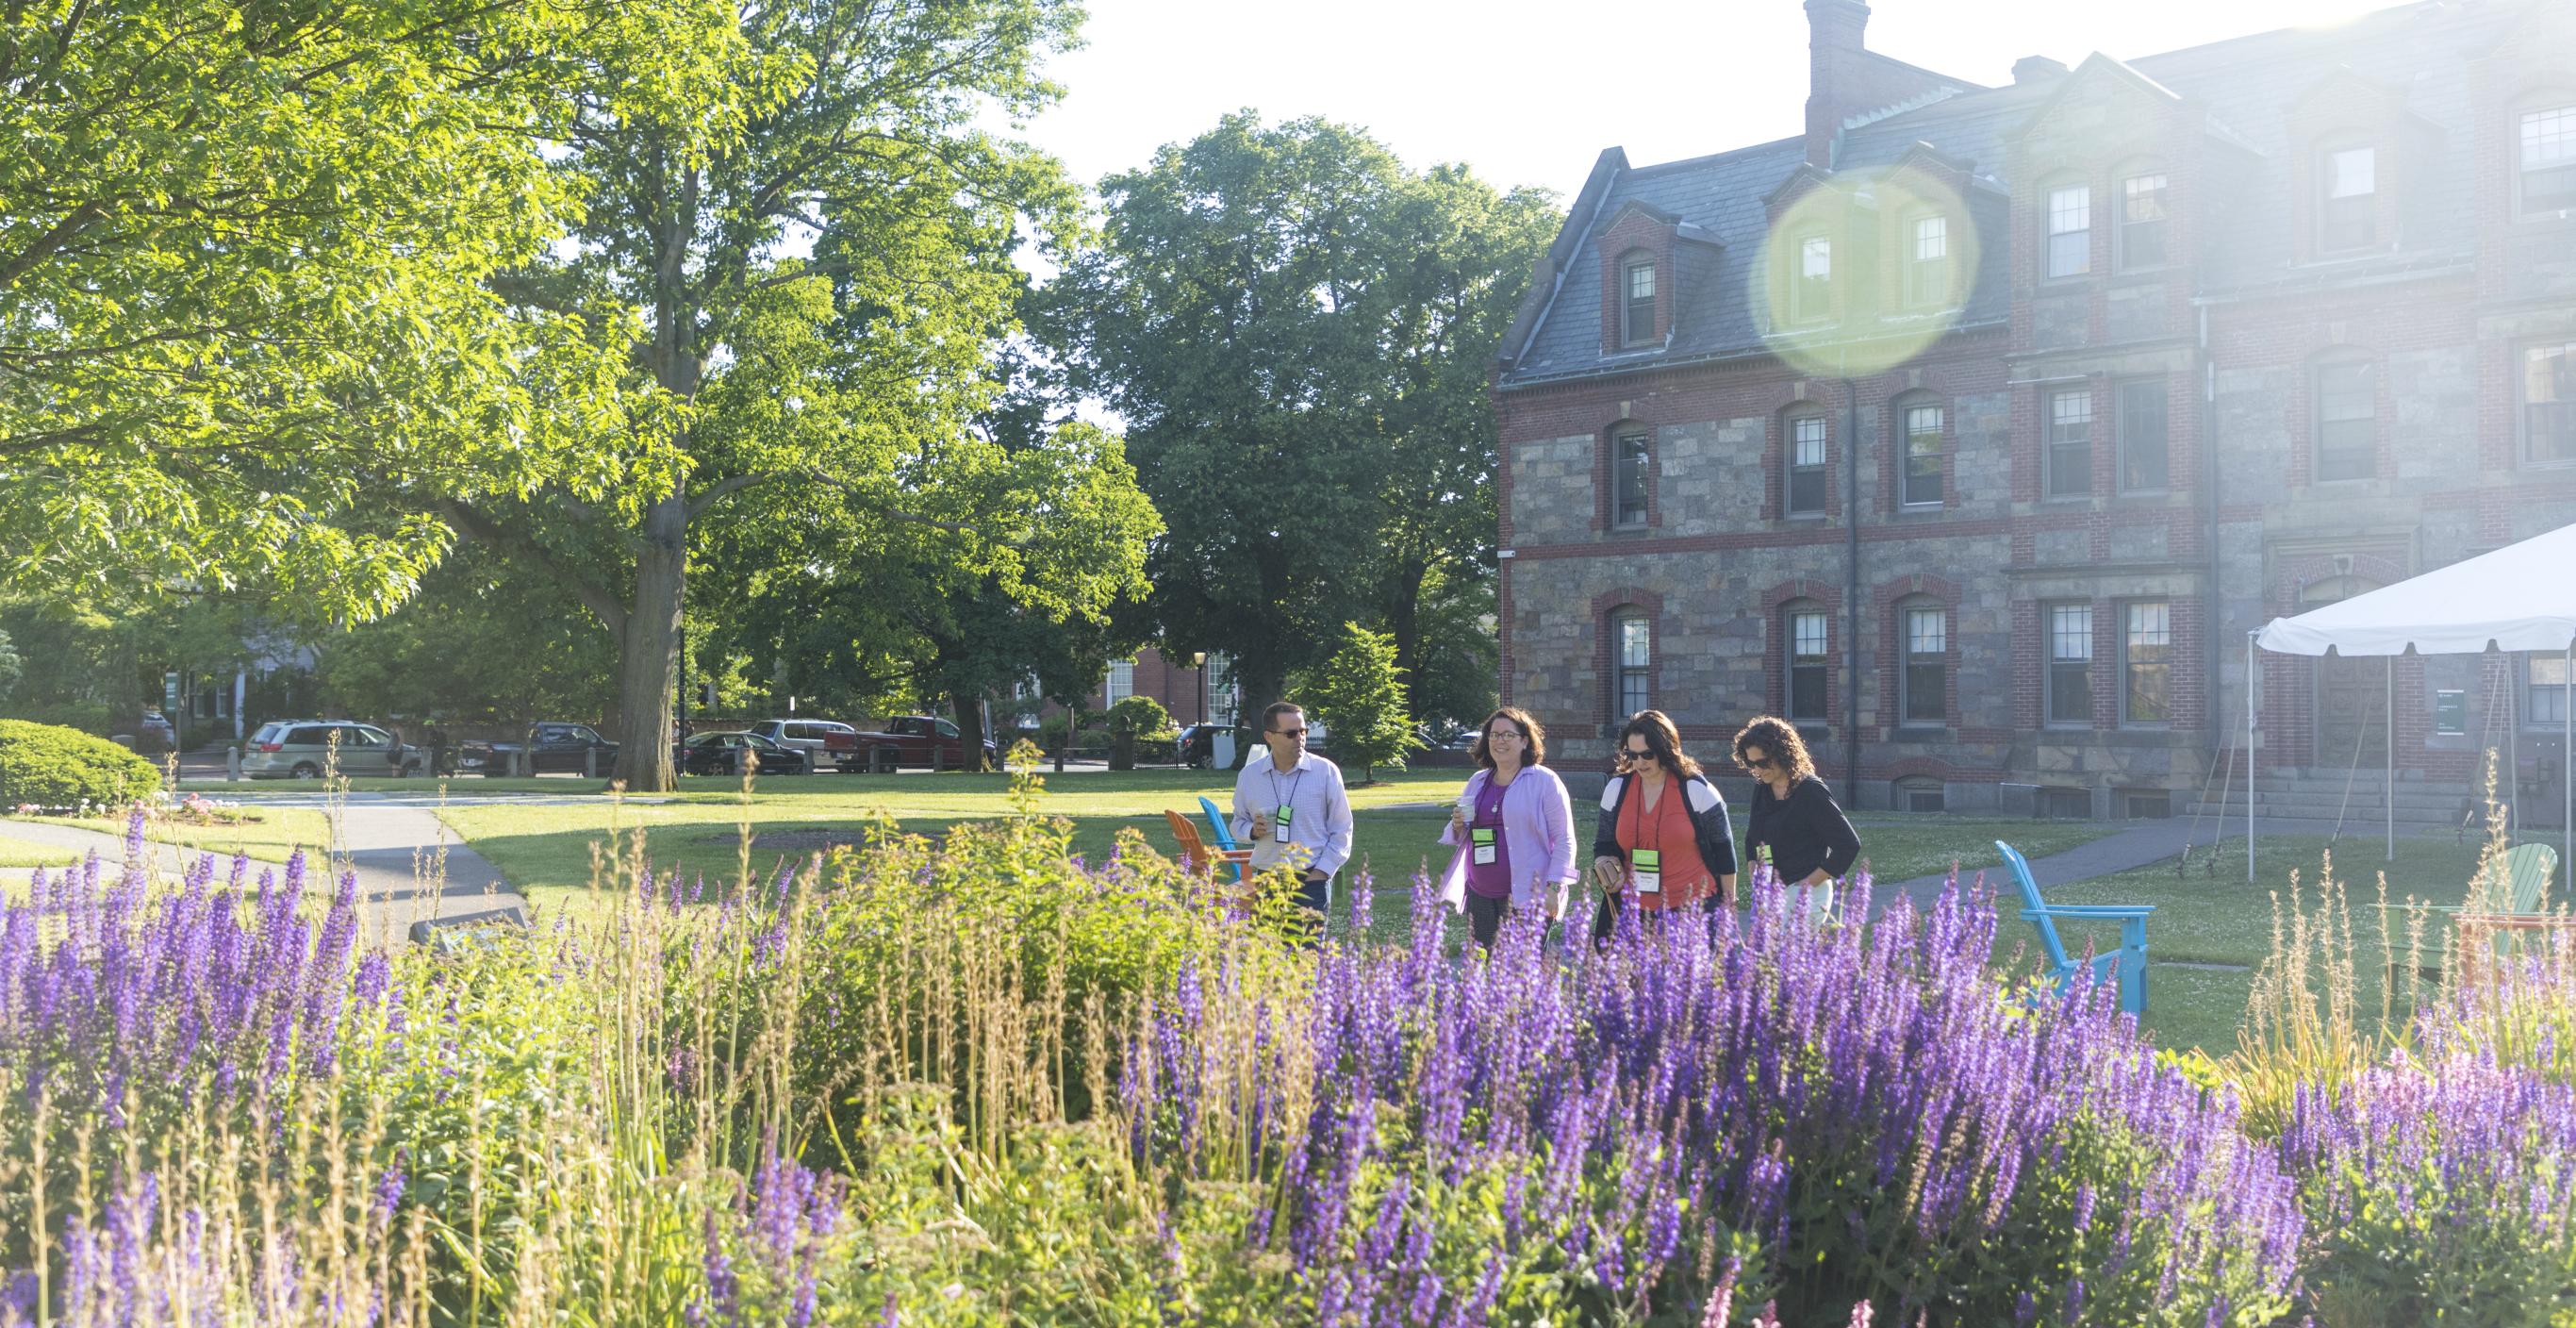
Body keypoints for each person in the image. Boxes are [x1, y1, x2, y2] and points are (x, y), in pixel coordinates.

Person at [1589, 710, 1739, 943]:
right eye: (1632, 754)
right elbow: (1604, 844)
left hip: (1691, 909)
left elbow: (1724, 853)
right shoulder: (1616, 789)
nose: (1639, 762)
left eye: (1647, 754)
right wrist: (1605, 864)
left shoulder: (1696, 790)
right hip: (1633, 910)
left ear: (1665, 749)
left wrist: (1728, 909)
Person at [1438, 707, 1578, 951]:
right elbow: (1461, 832)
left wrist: (1554, 887)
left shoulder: (1544, 782)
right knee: (1487, 971)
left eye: (1507, 735)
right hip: (1480, 894)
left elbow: (1564, 839)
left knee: (1524, 974)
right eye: (1493, 735)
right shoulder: (1478, 781)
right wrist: (1457, 824)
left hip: (1529, 896)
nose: (1499, 741)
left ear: (1525, 741)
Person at [1230, 701, 1354, 940]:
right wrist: (1252, 831)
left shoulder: (1326, 772)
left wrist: (1322, 872)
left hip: (1311, 880)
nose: (1300, 738)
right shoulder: (1250, 776)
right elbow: (1237, 823)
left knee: (1306, 960)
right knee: (1270, 960)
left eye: (1303, 731)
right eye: (1291, 733)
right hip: (1267, 879)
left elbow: (1342, 828)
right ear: (1269, 736)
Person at [1733, 715, 1861, 911]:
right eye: (1751, 764)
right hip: (1771, 894)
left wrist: (1804, 887)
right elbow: (1755, 837)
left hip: (1808, 895)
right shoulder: (1762, 788)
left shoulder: (1810, 791)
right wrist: (1759, 878)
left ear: (1782, 754)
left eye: (1762, 762)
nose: (1757, 770)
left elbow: (1848, 845)